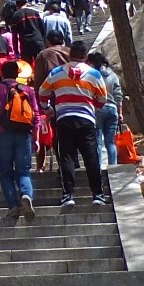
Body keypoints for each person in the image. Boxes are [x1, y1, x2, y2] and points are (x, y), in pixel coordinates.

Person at [40, 41, 110, 206]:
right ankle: (98, 194)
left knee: (66, 157)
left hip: (64, 118)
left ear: (70, 55)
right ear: (85, 57)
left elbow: (42, 92)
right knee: (91, 156)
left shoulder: (57, 72)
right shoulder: (94, 74)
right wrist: (94, 107)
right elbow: (102, 99)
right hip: (86, 119)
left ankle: (68, 195)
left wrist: (47, 109)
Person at [0, 60, 38, 220]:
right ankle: (26, 196)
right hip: (23, 134)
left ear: (1, 73)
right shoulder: (27, 90)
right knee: (23, 171)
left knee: (6, 173)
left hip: (2, 135)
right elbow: (35, 115)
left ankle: (13, 205)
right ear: (18, 73)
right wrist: (36, 138)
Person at [86, 48, 122, 166]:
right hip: (112, 110)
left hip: (98, 109)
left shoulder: (93, 76)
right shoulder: (113, 75)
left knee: (98, 142)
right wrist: (120, 111)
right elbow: (118, 95)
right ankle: (113, 166)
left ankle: (99, 167)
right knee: (110, 142)